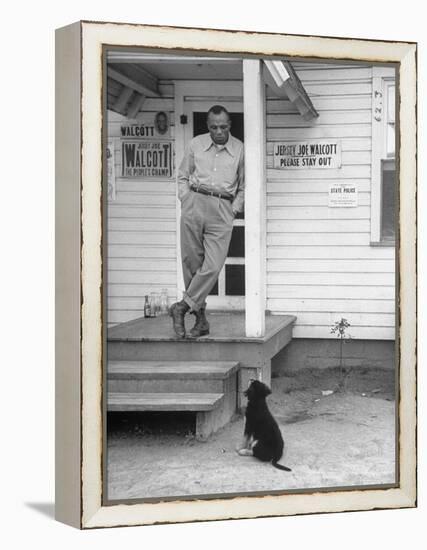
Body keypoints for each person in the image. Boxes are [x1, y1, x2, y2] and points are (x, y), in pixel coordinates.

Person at [169, 105, 244, 338]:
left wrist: (233, 210)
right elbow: (182, 175)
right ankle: (200, 321)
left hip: (222, 207)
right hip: (195, 202)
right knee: (192, 263)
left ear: (229, 125)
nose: (219, 131)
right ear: (208, 126)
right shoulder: (195, 144)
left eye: (223, 127)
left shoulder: (240, 149)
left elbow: (245, 185)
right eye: (214, 127)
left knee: (212, 265)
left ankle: (181, 306)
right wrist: (185, 198)